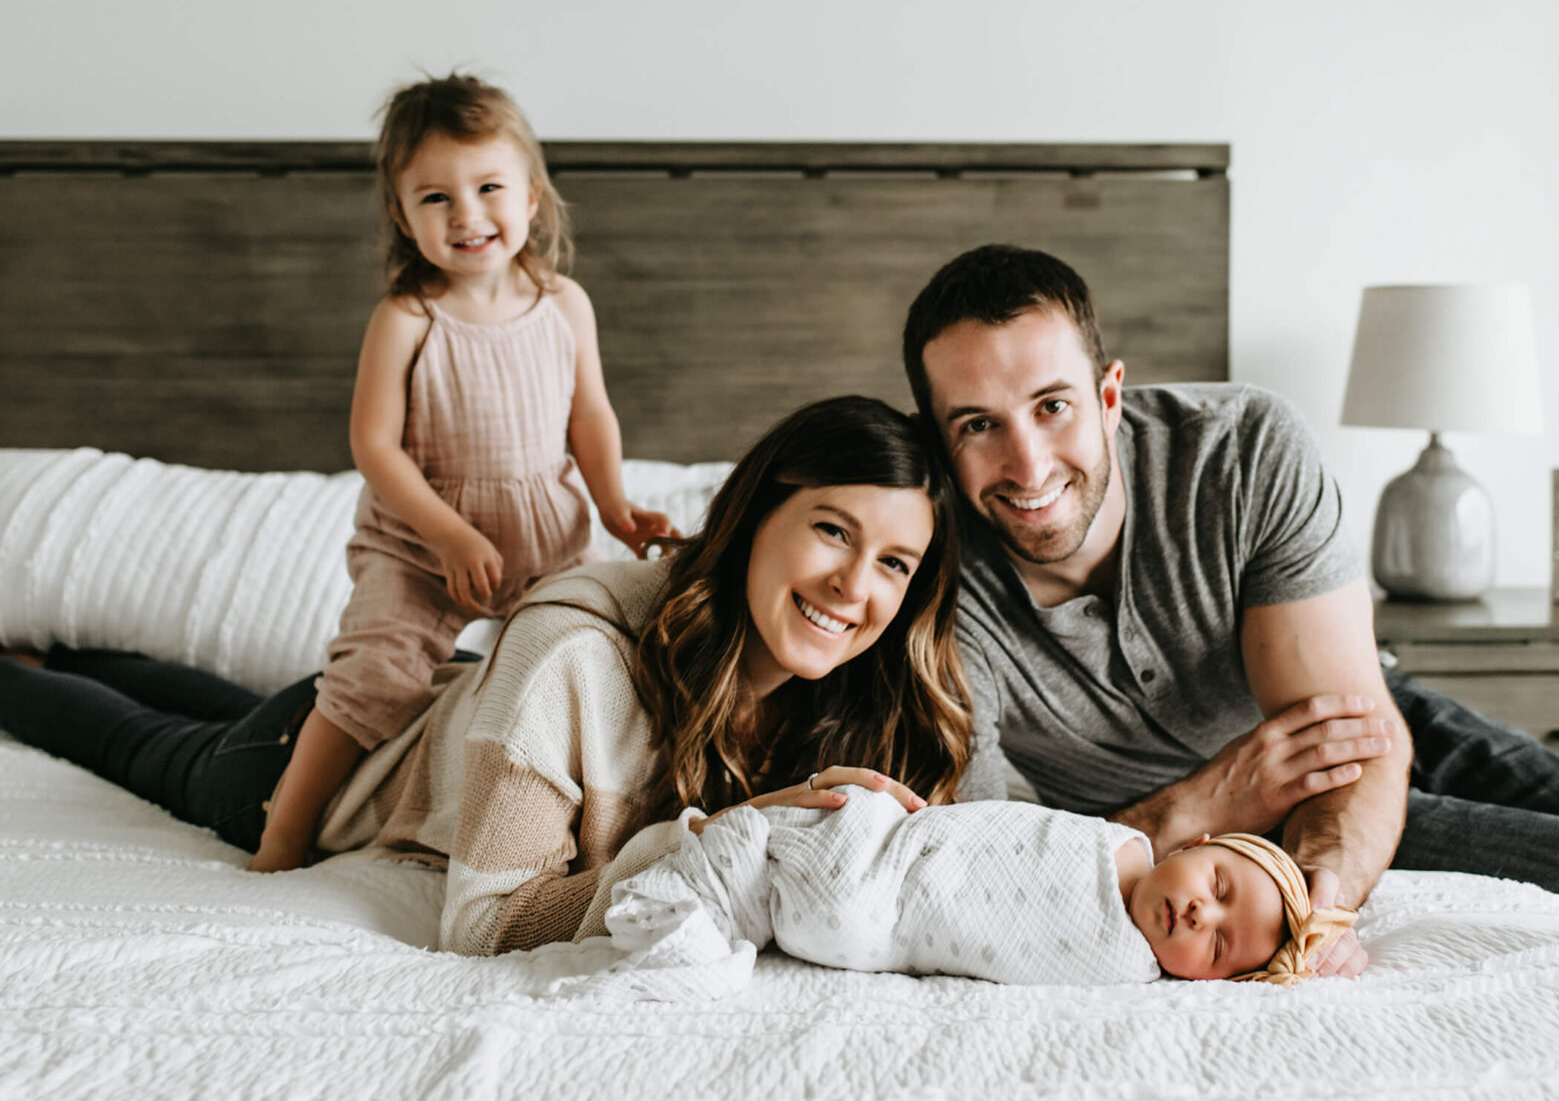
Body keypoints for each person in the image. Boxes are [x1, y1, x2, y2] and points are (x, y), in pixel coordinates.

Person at [898, 243, 1559, 993]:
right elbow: (993, 865)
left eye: (1052, 406)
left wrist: (1321, 909)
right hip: (1217, 824)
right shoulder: (920, 573)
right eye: (978, 424)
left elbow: (1345, 733)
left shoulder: (1240, 449)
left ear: (1109, 394)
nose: (1026, 462)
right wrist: (1201, 809)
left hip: (1358, 735)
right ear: (937, 437)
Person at [0, 397, 980, 956]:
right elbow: (484, 918)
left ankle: (83, 655)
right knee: (138, 740)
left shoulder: (866, 693)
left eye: (894, 563)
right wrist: (723, 834)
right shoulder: (572, 655)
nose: (855, 586)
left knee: (184, 694)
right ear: (753, 517)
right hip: (313, 768)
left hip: (439, 710)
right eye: (831, 530)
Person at [249, 74, 681, 873]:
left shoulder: (563, 304)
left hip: (545, 536)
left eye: (488, 188)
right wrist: (447, 534)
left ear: (533, 197)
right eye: (436, 198)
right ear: (401, 216)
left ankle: (604, 821)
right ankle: (281, 837)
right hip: (421, 544)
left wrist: (617, 507)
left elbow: (589, 417)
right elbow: (375, 446)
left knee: (604, 665)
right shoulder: (408, 318)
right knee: (370, 679)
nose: (468, 214)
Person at [601, 783, 1354, 992]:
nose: (1198, 912)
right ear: (1194, 845)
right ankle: (713, 865)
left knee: (833, 909)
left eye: (1217, 944)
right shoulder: (1116, 840)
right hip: (885, 837)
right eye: (1217, 884)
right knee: (803, 845)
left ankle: (707, 903)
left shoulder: (1124, 966)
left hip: (875, 919)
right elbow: (999, 827)